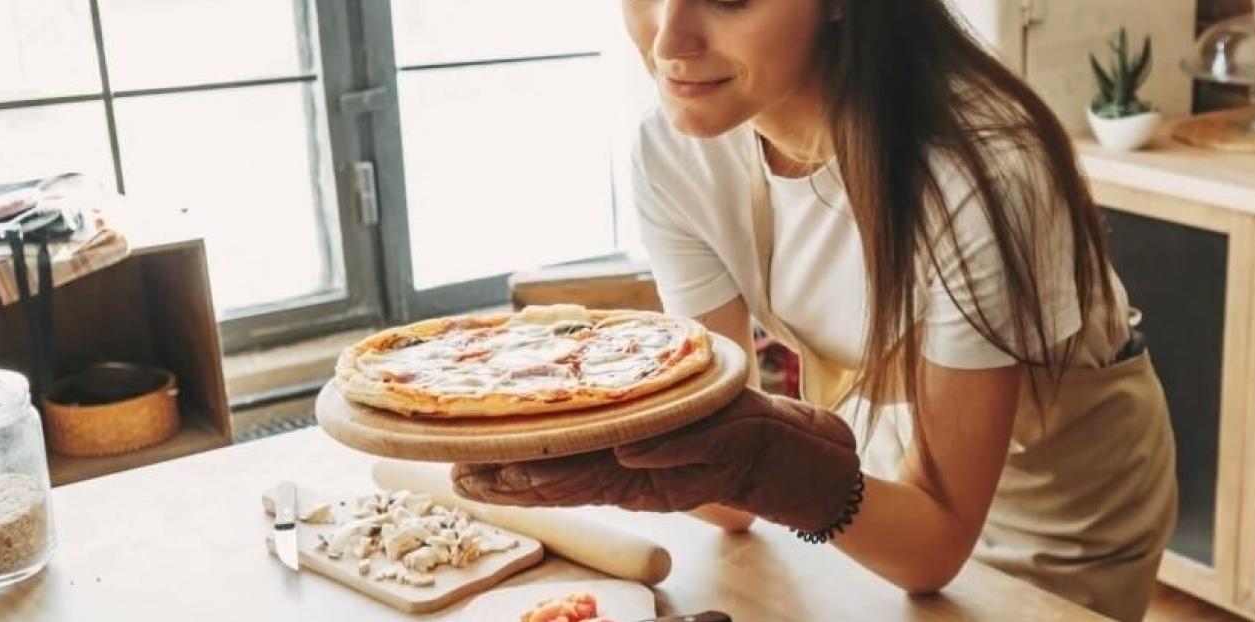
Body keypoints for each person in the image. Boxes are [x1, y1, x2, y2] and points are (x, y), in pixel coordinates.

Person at [451, 1, 1177, 619]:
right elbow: (731, 506)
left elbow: (932, 549)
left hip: (1055, 506)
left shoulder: (981, 170)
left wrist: (754, 465)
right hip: (881, 448)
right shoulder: (674, 148)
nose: (667, 43)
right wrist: (604, 443)